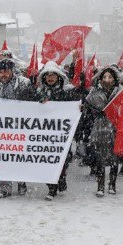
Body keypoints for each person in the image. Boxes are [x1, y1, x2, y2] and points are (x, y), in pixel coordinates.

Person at [0, 58, 37, 198]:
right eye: (0, 72)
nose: (3, 75)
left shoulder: (24, 84)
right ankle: (5, 188)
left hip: (19, 128)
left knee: (19, 157)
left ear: (12, 71)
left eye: (6, 71)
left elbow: (33, 101)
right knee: (1, 158)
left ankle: (21, 183)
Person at [37, 61, 80, 200]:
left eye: (53, 75)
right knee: (48, 161)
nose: (50, 78)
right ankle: (52, 189)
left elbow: (76, 106)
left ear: (58, 76)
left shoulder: (68, 91)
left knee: (62, 161)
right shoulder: (38, 92)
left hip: (62, 136)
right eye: (47, 75)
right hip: (45, 135)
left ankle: (61, 179)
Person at [84, 65, 122, 196]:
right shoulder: (94, 92)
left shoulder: (119, 92)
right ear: (100, 78)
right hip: (99, 128)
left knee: (114, 158)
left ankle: (112, 184)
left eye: (110, 77)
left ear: (114, 79)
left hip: (115, 128)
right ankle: (100, 186)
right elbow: (87, 107)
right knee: (100, 159)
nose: (107, 79)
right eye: (105, 76)